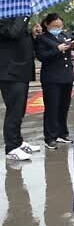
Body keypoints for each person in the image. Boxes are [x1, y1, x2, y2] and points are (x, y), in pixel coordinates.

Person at [34, 13, 74, 150]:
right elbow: (41, 56)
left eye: (60, 26)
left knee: (63, 107)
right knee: (52, 108)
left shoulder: (64, 35)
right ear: (47, 25)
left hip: (66, 76)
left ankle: (62, 133)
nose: (57, 28)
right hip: (51, 78)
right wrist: (57, 49)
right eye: (54, 26)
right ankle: (50, 137)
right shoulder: (42, 38)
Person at [0, 16, 41, 161]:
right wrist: (24, 16)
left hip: (20, 70)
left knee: (20, 109)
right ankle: (11, 147)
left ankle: (18, 142)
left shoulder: (14, 16)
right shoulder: (5, 14)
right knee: (14, 111)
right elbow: (13, 33)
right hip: (9, 71)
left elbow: (18, 39)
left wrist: (32, 34)